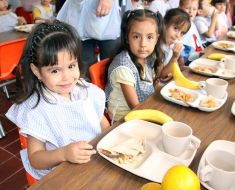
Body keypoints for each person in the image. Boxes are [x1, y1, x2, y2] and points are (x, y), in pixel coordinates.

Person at [5, 20, 110, 180]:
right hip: (64, 175)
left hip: (95, 164)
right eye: (55, 70)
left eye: (71, 66)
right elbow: (35, 158)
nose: (67, 77)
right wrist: (64, 153)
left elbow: (102, 123)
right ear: (37, 71)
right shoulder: (37, 108)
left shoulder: (84, 91)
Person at [105, 9, 173, 122]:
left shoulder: (149, 58)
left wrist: (170, 96)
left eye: (149, 37)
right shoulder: (123, 67)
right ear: (127, 37)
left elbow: (155, 85)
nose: (143, 44)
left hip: (145, 107)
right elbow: (135, 107)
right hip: (124, 120)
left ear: (157, 38)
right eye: (136, 37)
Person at [57, 0, 132, 79]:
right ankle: (85, 89)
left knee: (114, 65)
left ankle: (113, 89)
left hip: (107, 18)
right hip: (79, 15)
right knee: (83, 69)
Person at [179, 0, 204, 65]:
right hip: (187, 63)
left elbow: (198, 44)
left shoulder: (192, 24)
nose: (191, 11)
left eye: (194, 9)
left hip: (197, 59)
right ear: (179, 8)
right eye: (187, 8)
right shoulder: (180, 26)